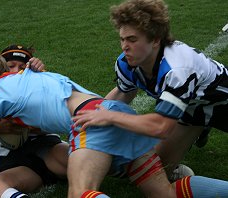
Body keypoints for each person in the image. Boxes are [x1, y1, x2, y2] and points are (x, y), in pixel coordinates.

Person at [0, 48, 228, 198]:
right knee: (166, 193)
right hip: (114, 110)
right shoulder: (30, 73)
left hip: (91, 120)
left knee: (79, 193)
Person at [72, 0, 228, 177]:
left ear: (155, 40)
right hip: (192, 108)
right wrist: (90, 115)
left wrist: (111, 116)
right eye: (122, 39)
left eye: (132, 39)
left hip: (221, 102)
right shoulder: (125, 63)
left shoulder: (177, 69)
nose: (125, 46)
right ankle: (197, 130)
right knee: (157, 172)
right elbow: (124, 91)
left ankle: (201, 129)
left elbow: (161, 126)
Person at [0, 45, 69, 198]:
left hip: (45, 146)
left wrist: (26, 124)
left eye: (21, 67)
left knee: (86, 160)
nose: (15, 71)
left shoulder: (31, 87)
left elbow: (54, 121)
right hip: (12, 158)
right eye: (11, 66)